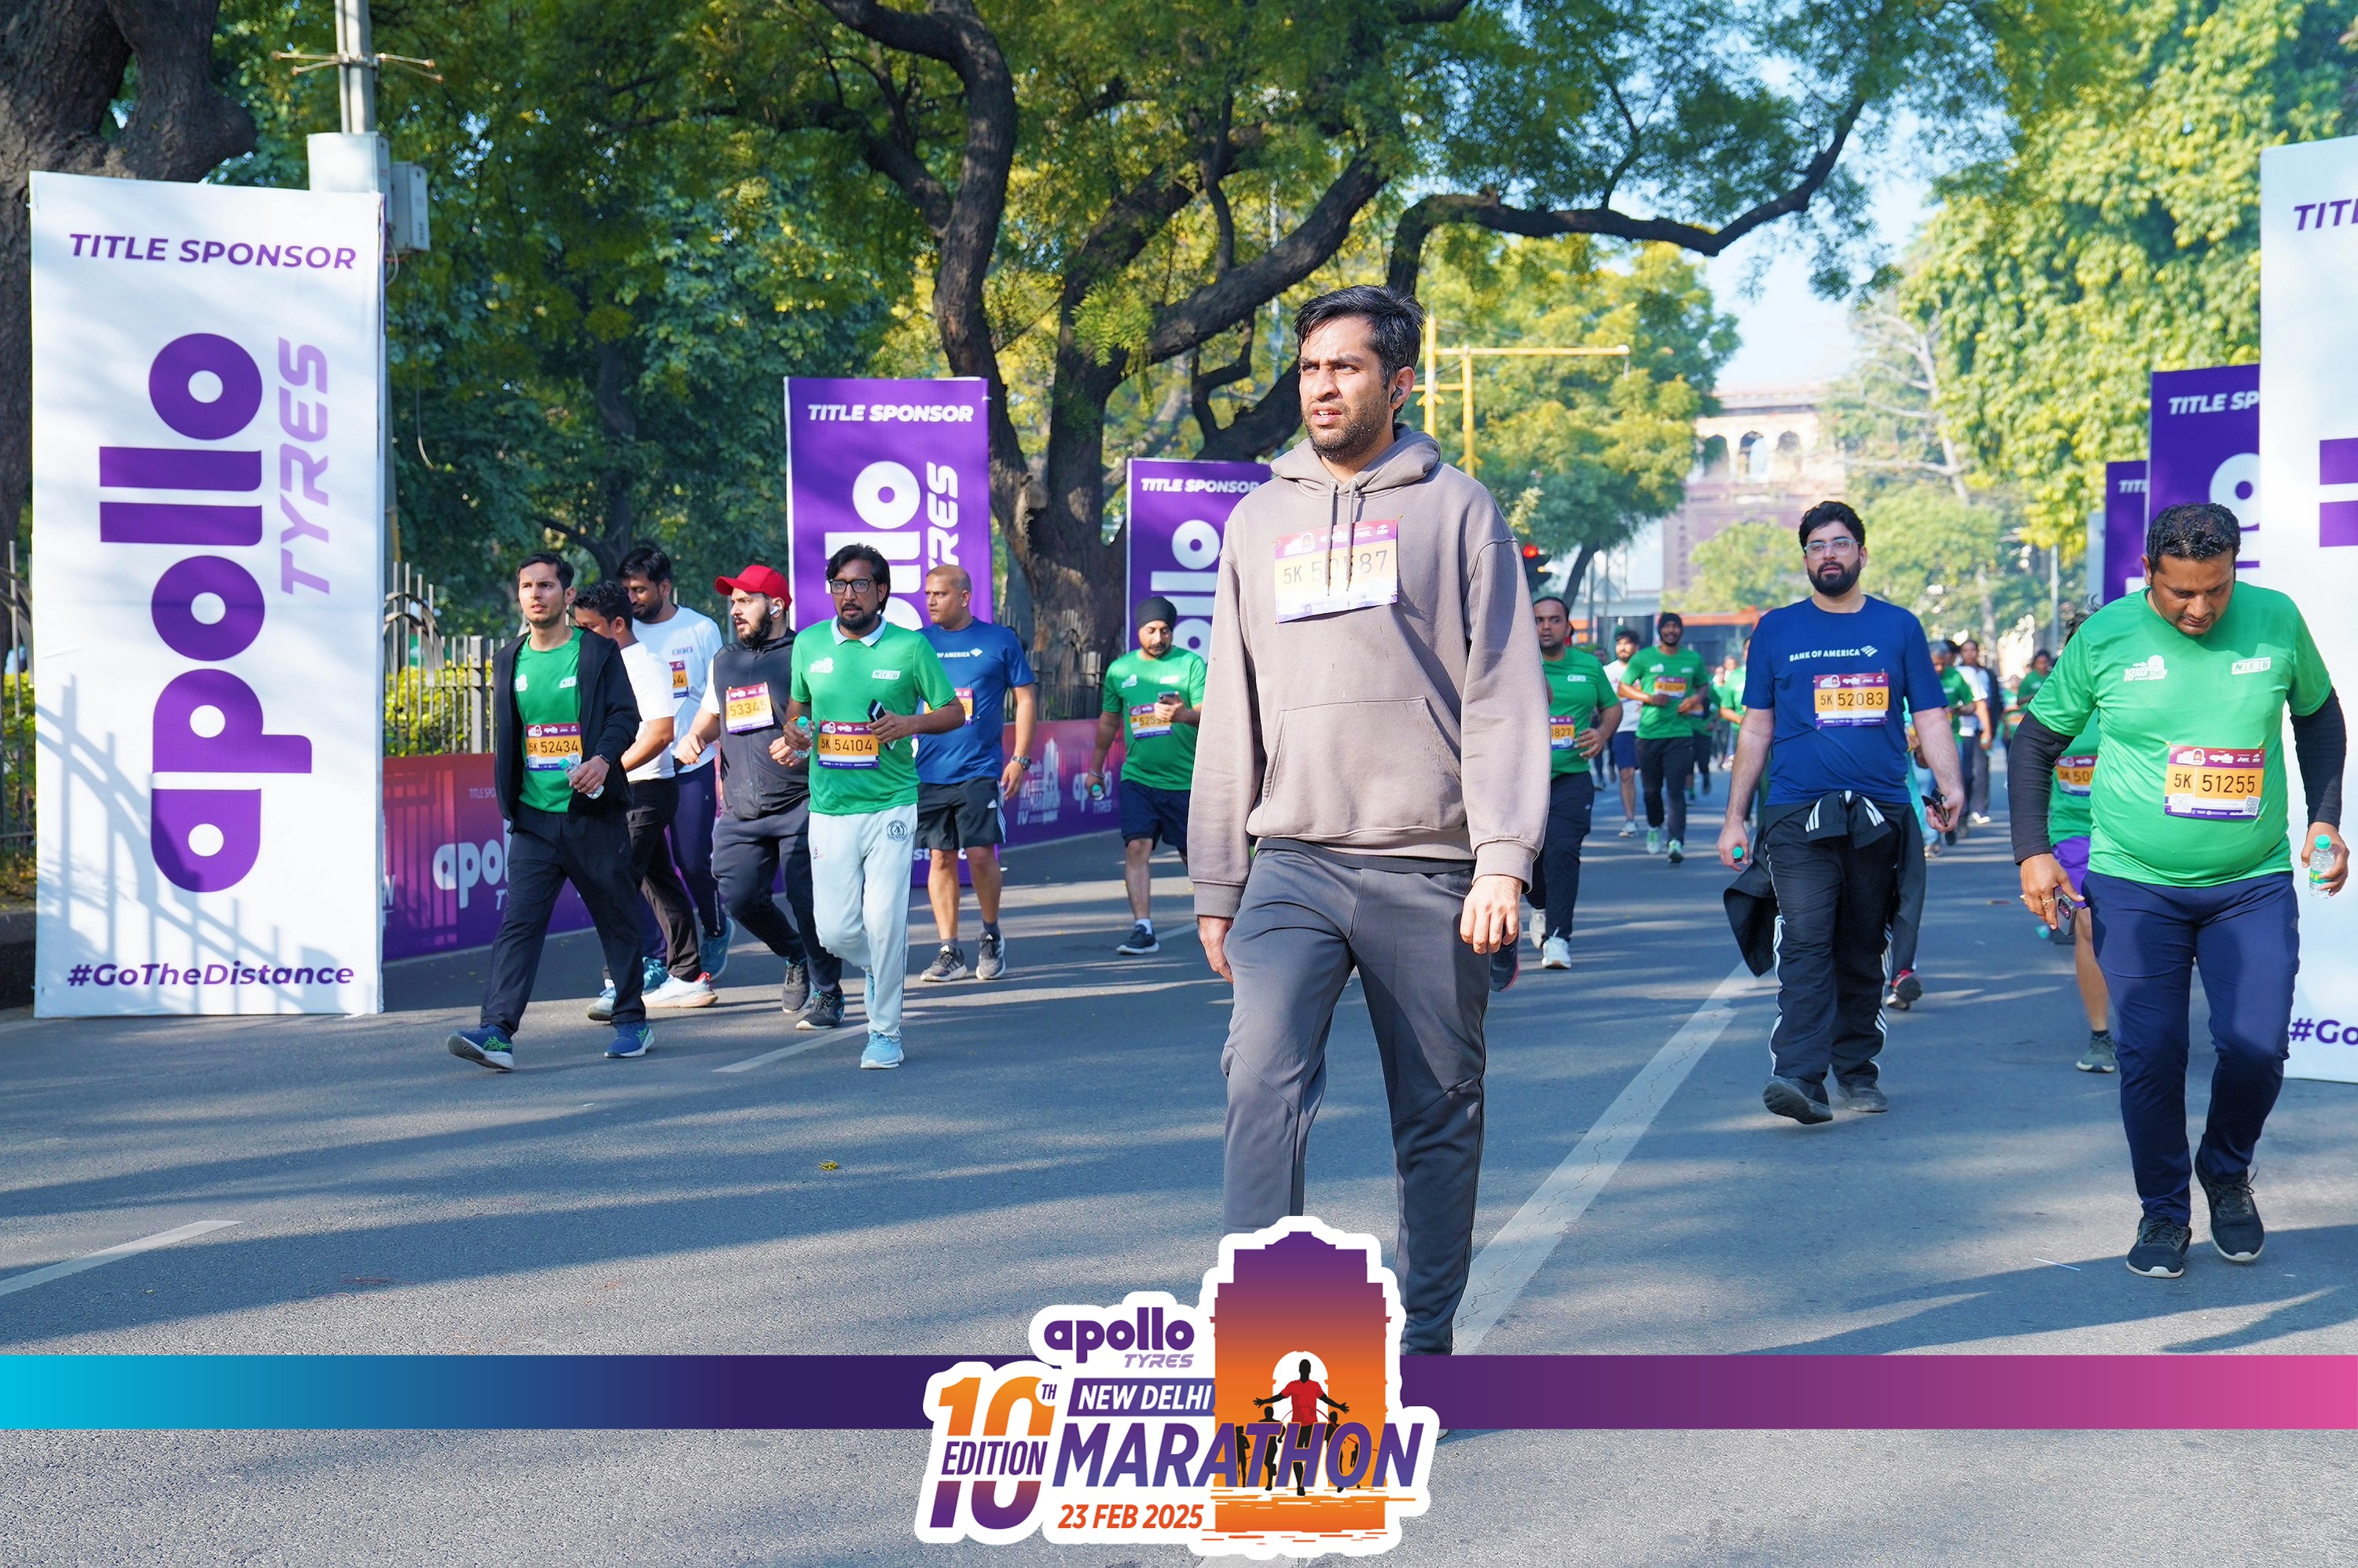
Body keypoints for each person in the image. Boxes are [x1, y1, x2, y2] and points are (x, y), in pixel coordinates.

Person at [1194, 283, 1548, 1356]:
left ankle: (1425, 1345)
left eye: (1345, 367)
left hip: (1430, 866)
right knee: (1259, 1078)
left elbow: (1502, 690)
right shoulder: (1258, 520)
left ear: (1399, 383)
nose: (1322, 387)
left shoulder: (1459, 510)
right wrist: (1217, 878)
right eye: (1310, 368)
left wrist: (1502, 859)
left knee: (1438, 1110)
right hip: (1293, 859)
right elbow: (1230, 701)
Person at [2013, 501, 2346, 1280]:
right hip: (2135, 884)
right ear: (2148, 574)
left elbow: (2320, 718)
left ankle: (2225, 1170)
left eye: (2216, 589)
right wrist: (2033, 852)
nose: (2200, 608)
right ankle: (2164, 1211)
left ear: (2235, 571)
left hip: (2250, 883)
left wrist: (2325, 820)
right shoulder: (2106, 636)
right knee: (2151, 1053)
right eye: (2181, 593)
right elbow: (2035, 741)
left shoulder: (2275, 619)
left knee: (2257, 1047)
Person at [1718, 501, 1963, 1124]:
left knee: (1861, 944)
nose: (1829, 554)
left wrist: (1951, 784)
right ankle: (1799, 1075)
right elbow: (1756, 727)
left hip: (1879, 813)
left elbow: (1930, 715)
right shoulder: (1776, 630)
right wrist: (1735, 816)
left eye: (1840, 543)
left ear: (1862, 553)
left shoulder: (1899, 627)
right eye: (1817, 546)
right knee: (1805, 938)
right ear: (1806, 558)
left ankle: (1856, 1069)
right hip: (1796, 813)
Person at [446, 553, 656, 1070]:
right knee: (519, 923)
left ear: (567, 594)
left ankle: (632, 1019)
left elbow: (625, 716)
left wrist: (602, 760)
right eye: (527, 586)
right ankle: (497, 1032)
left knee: (615, 915)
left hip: (592, 814)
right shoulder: (508, 658)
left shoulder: (596, 652)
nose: (536, 595)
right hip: (534, 819)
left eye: (546, 585)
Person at [784, 543, 965, 1070]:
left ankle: (884, 1032)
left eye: (860, 584)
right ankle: (881, 965)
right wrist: (795, 732)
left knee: (884, 920)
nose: (849, 595)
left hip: (891, 804)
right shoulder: (809, 644)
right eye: (839, 584)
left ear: (881, 591)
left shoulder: (910, 647)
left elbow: (954, 711)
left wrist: (909, 724)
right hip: (830, 807)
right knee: (834, 931)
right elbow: (797, 712)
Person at [674, 563, 848, 1032]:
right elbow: (712, 714)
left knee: (807, 900)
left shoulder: (805, 653)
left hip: (800, 802)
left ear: (777, 605)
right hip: (741, 808)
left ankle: (828, 992)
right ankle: (794, 954)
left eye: (745, 600)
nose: (735, 609)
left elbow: (830, 713)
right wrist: (694, 737)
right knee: (739, 898)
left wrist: (805, 740)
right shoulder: (725, 660)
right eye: (732, 602)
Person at [571, 580, 714, 1014]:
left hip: (646, 789)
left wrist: (607, 769)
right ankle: (688, 975)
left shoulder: (644, 663)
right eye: (578, 627)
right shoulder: (602, 662)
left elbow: (660, 734)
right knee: (659, 883)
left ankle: (628, 977)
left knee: (616, 883)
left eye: (589, 628)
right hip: (625, 789)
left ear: (618, 624)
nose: (581, 637)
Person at [916, 564, 1037, 982]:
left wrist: (1020, 758)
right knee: (940, 857)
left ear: (965, 597)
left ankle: (990, 933)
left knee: (982, 854)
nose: (930, 601)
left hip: (980, 768)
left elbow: (1025, 699)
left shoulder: (999, 640)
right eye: (928, 594)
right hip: (929, 770)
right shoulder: (918, 643)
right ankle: (949, 950)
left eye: (940, 594)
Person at [621, 546, 731, 978]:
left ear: (665, 587)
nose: (632, 598)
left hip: (690, 765)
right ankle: (656, 953)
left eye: (640, 590)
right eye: (627, 590)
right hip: (641, 769)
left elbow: (719, 695)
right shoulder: (623, 632)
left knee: (691, 860)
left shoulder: (700, 629)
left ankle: (716, 927)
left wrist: (698, 740)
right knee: (642, 865)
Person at [1497, 593, 1617, 982]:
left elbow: (1612, 706)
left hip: (1570, 778)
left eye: (1554, 619)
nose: (1546, 626)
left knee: (1563, 852)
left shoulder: (1589, 666)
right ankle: (1541, 906)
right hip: (1521, 781)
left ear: (1568, 626)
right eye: (1538, 620)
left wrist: (1602, 733)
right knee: (1531, 858)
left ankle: (1559, 938)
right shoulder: (1512, 662)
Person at [1084, 596, 1207, 957]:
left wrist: (1182, 715)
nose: (1158, 638)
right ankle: (1143, 927)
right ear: (1138, 630)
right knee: (1137, 846)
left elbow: (1208, 711)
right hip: (1138, 777)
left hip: (1185, 780)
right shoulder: (1120, 670)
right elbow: (1109, 722)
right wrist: (1095, 768)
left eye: (1165, 630)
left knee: (1194, 857)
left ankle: (1217, 920)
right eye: (1151, 630)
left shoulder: (1191, 664)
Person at [2040, 609, 2114, 1073]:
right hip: (2075, 835)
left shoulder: (2136, 700)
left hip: (2134, 835)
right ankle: (2101, 1035)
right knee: (2089, 926)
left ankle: (2151, 1032)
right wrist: (2035, 851)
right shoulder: (2054, 705)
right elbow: (2031, 772)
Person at [1618, 611, 1710, 862]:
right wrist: (1648, 698)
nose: (1671, 631)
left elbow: (1703, 685)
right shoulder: (1644, 658)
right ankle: (1654, 825)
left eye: (1675, 627)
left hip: (1680, 734)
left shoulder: (1692, 659)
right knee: (1651, 790)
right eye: (1667, 626)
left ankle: (1676, 841)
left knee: (1676, 790)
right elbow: (1623, 687)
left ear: (1681, 631)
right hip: (1649, 734)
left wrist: (1695, 698)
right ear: (1660, 631)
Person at [1250, 1360, 1348, 1496]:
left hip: (1312, 1426)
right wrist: (1265, 1401)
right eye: (1303, 1368)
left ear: (1309, 1370)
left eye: (1307, 1368)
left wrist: (1339, 1406)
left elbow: (1325, 1399)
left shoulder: (1315, 1385)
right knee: (1295, 1458)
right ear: (1300, 1370)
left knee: (1311, 1457)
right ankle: (1300, 1485)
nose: (1305, 1370)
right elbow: (1280, 1397)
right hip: (1296, 1427)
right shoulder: (1292, 1385)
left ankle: (1330, 1480)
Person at [1928, 640, 1978, 844]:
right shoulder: (1919, 677)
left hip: (1952, 739)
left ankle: (1957, 820)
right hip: (1924, 742)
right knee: (1928, 785)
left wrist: (1957, 710)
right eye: (1935, 664)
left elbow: (1971, 705)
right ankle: (1931, 837)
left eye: (1942, 664)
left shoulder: (1955, 676)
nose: (1939, 668)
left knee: (1955, 783)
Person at [1603, 627, 1643, 836]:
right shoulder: (1608, 672)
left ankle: (1656, 820)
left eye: (1627, 643)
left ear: (1636, 647)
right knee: (1626, 774)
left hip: (1648, 728)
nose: (1623, 647)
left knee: (1652, 780)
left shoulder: (1647, 668)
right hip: (1622, 728)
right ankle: (1630, 820)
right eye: (1619, 643)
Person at [1956, 637, 1999, 826]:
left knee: (1981, 769)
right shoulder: (1957, 673)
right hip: (1961, 729)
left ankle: (1980, 808)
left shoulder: (1986, 674)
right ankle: (1962, 809)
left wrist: (1990, 729)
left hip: (1982, 728)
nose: (1970, 654)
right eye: (1965, 650)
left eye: (1973, 650)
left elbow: (1993, 702)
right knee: (1965, 772)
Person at [2008, 648, 2054, 739]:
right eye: (2040, 663)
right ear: (2035, 664)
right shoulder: (2029, 679)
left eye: (2045, 662)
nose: (2043, 666)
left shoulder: (2053, 676)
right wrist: (2034, 696)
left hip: (2052, 715)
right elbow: (2019, 701)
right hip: (2035, 716)